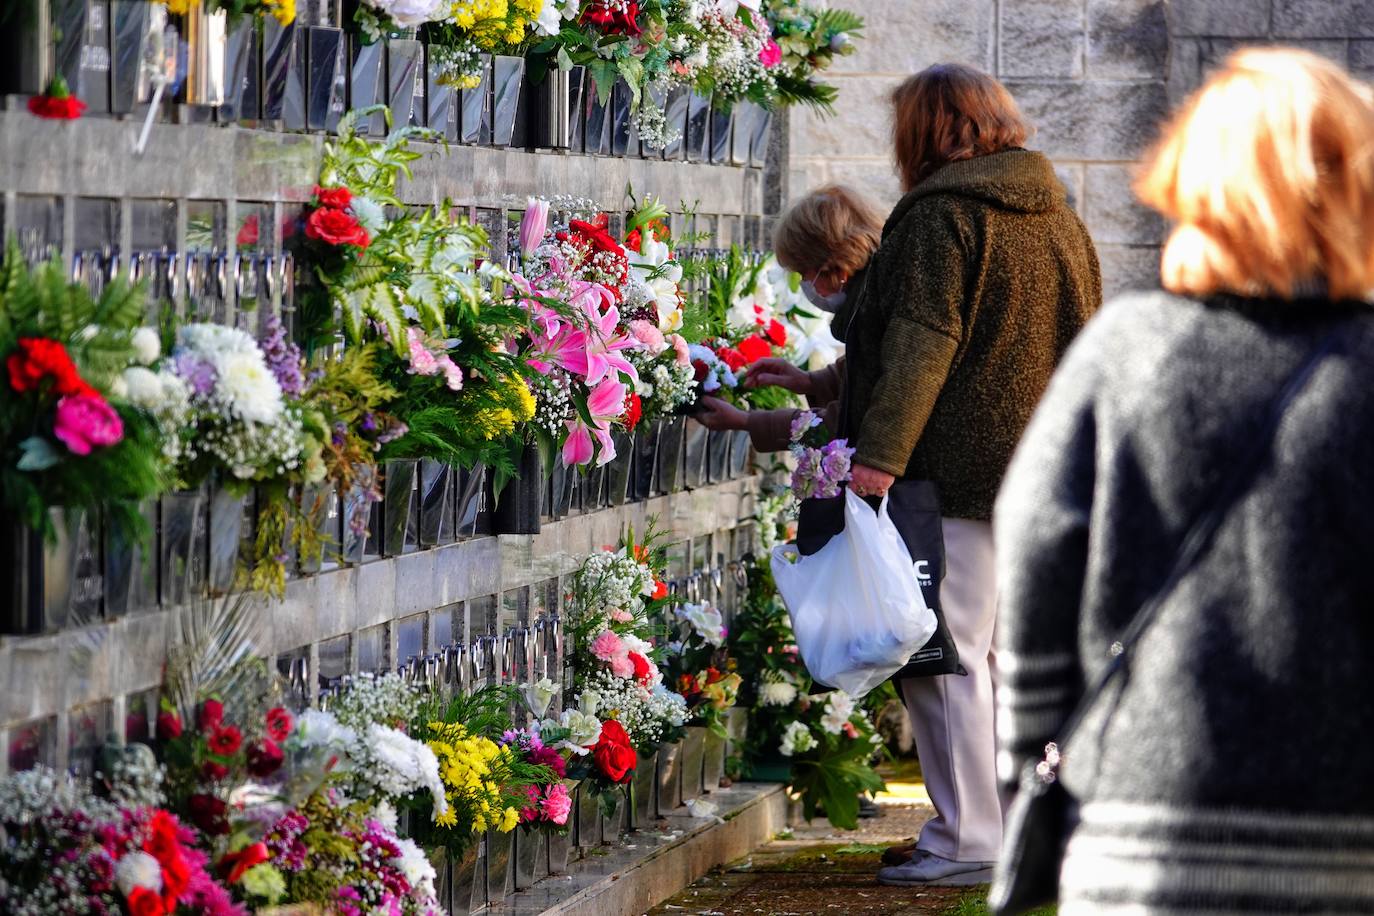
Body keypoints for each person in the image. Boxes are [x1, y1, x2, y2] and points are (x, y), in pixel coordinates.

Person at [993, 48, 1374, 913]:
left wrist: (1034, 755)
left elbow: (1035, 537)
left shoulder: (1127, 350)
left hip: (1139, 837)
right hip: (1349, 845)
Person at [852, 65, 1101, 887]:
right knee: (1004, 660)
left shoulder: (940, 216)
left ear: (927, 129)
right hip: (1046, 470)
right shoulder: (1056, 213)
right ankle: (1001, 827)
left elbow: (924, 342)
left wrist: (877, 460)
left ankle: (969, 842)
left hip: (957, 474)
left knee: (947, 657)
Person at [695, 184, 884, 447]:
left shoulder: (875, 312)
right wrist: (808, 381)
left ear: (836, 268)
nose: (805, 285)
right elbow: (862, 372)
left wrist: (746, 421)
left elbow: (844, 425)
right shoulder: (874, 296)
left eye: (803, 273)